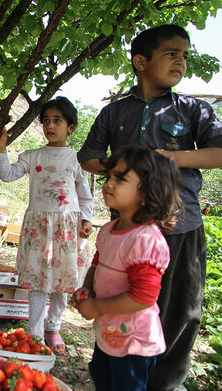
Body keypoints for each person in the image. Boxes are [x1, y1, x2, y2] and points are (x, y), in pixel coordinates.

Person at [77, 24, 222, 390]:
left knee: (178, 311)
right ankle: (119, 373)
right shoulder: (115, 112)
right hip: (127, 227)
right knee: (121, 300)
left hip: (181, 227)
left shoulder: (193, 109)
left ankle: (165, 384)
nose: (181, 61)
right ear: (141, 61)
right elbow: (89, 156)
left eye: (185, 55)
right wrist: (121, 172)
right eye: (171, 53)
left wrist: (172, 158)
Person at [73, 146, 183, 391]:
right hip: (110, 331)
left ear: (148, 191)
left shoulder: (145, 240)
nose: (109, 184)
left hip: (133, 342)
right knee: (102, 377)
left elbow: (143, 297)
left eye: (120, 178)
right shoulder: (108, 230)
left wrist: (96, 307)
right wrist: (88, 288)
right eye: (109, 176)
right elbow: (97, 264)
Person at [0, 96, 94, 355]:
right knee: (39, 283)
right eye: (46, 121)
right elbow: (7, 175)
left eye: (57, 120)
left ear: (70, 127)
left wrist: (87, 220)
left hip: (67, 229)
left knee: (62, 282)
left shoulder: (77, 160)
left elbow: (85, 196)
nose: (50, 126)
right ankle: (35, 334)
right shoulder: (33, 156)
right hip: (38, 229)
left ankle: (54, 327)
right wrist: (1, 150)